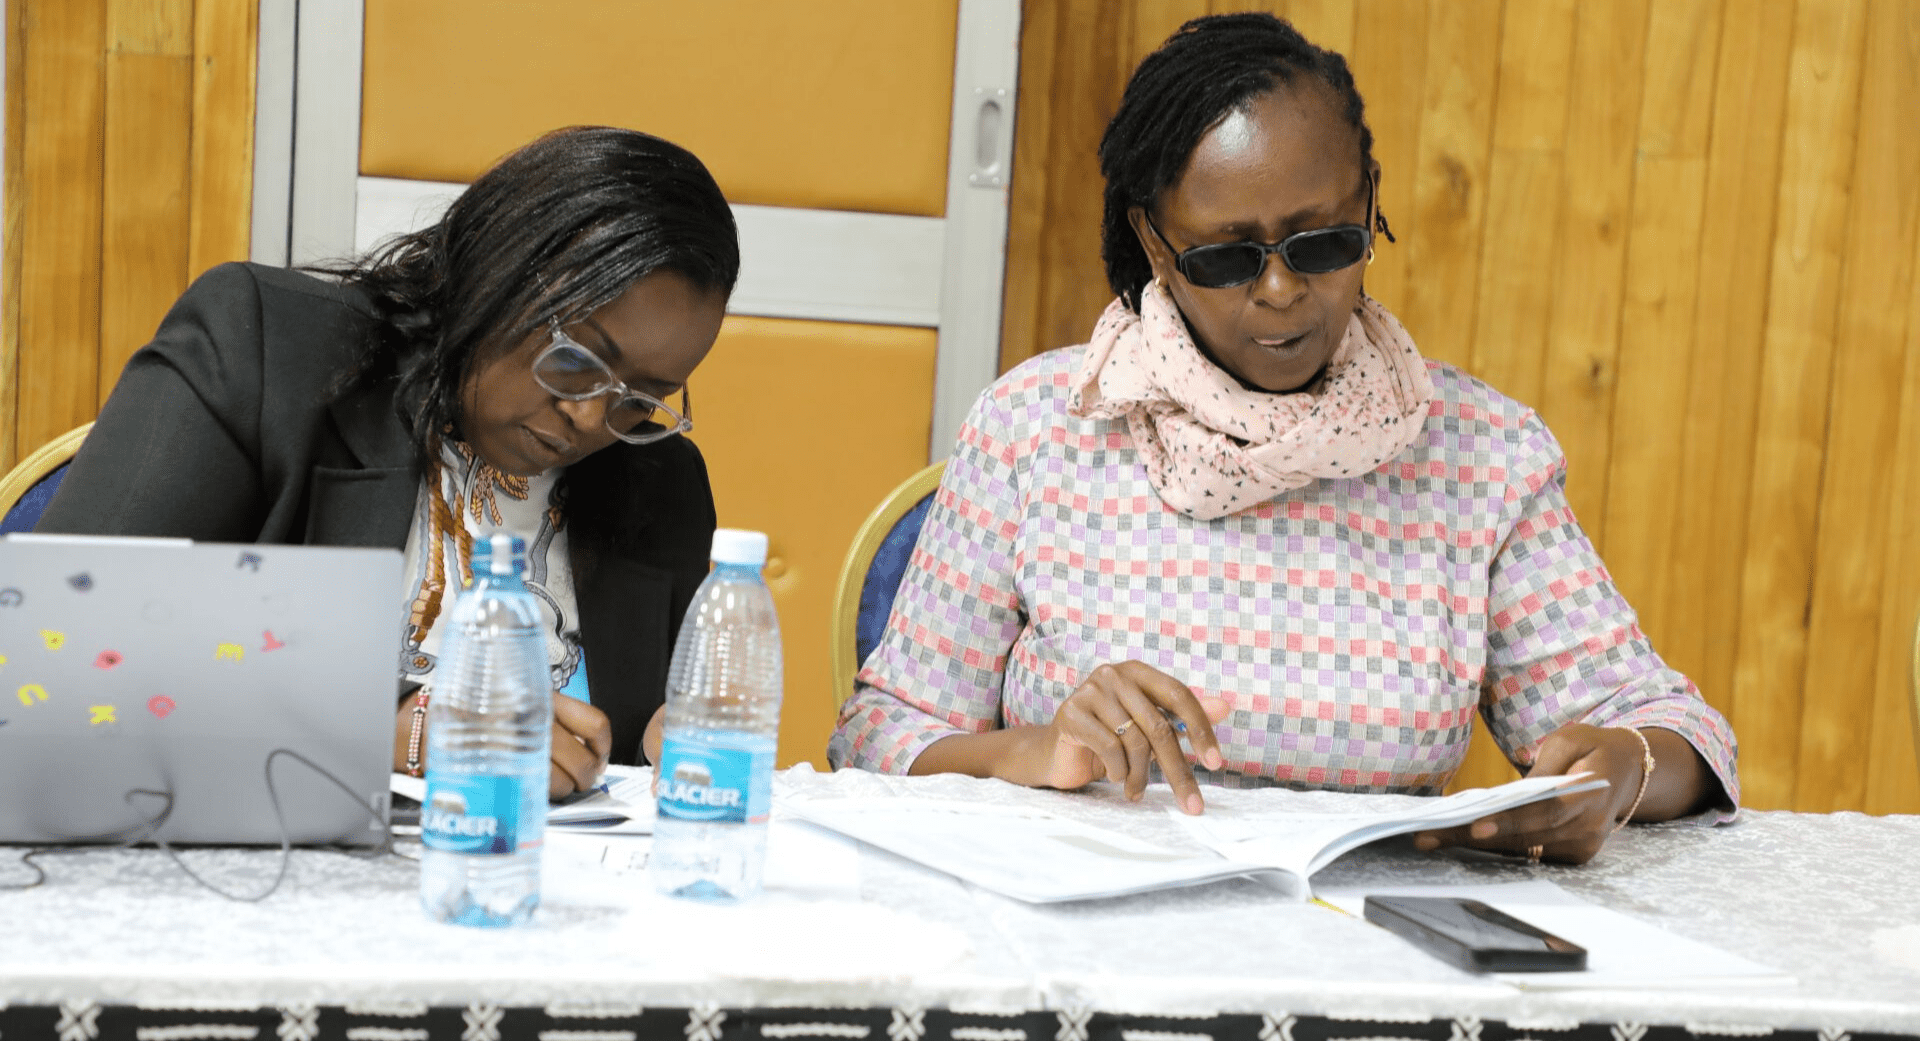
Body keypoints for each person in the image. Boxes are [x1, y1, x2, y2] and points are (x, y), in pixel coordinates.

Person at [831, 14, 1738, 864]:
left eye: (1321, 243)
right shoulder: (1040, 425)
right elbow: (878, 733)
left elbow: (1672, 725)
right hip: (1079, 931)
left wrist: (1625, 769)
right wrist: (1030, 751)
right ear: (1154, 243)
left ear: (1370, 203)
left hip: (1370, 944)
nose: (1277, 291)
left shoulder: (1480, 453)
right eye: (1226, 257)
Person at [38, 126, 738, 798]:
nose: (592, 418)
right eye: (576, 360)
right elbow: (61, 643)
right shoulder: (273, 356)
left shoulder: (660, 485)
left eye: (640, 401)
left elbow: (621, 761)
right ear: (497, 267)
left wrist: (658, 744)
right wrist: (392, 726)